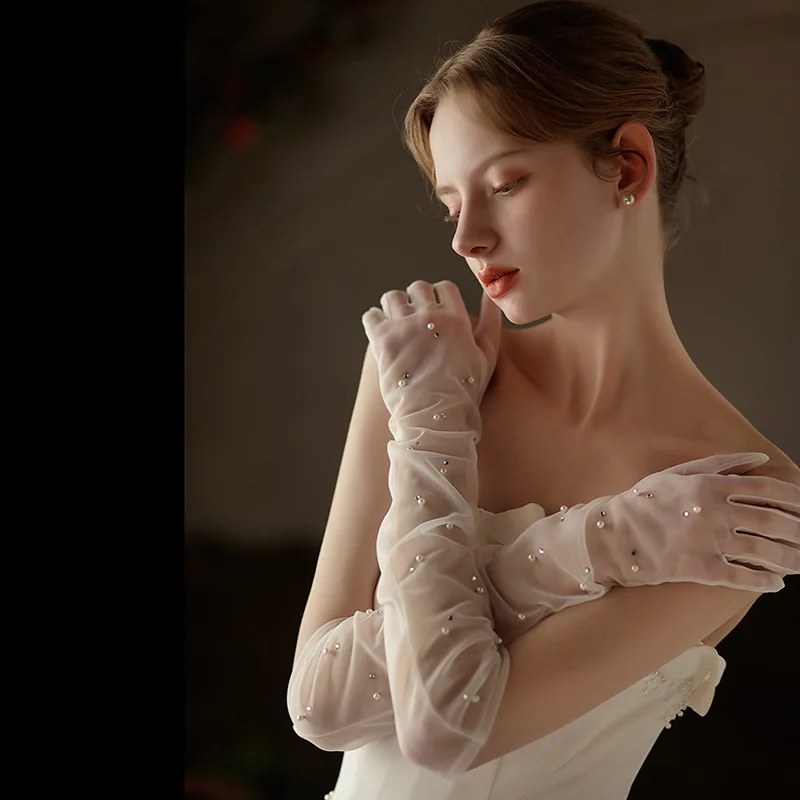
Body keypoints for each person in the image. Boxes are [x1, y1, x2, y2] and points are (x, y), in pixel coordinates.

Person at [287, 2, 800, 797]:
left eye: (505, 183)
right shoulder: (422, 375)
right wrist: (595, 544)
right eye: (454, 204)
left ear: (627, 166)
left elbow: (450, 727)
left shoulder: (737, 491)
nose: (466, 239)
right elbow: (316, 703)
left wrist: (436, 435)